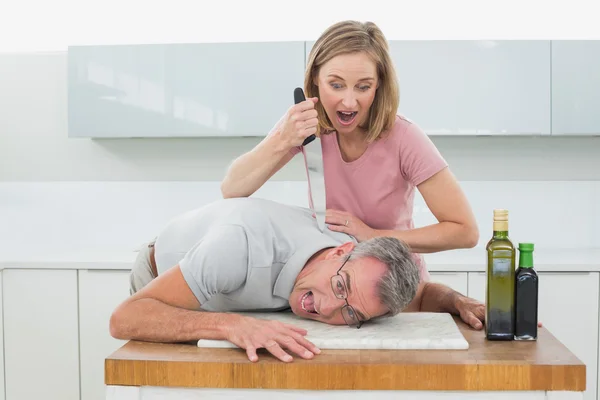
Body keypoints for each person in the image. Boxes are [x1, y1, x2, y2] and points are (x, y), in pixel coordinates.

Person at [220, 20, 483, 325]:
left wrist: (373, 236)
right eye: (335, 84)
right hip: (330, 295)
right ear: (315, 80)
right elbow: (232, 189)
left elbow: (465, 230)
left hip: (393, 296)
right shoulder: (306, 126)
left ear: (379, 86)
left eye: (363, 87)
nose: (348, 101)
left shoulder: (404, 138)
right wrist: (283, 139)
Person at [109, 197, 482, 363]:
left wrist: (458, 302)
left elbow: (420, 295)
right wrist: (229, 324)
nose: (327, 307)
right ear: (339, 252)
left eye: (350, 314)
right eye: (340, 288)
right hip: (163, 282)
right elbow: (125, 318)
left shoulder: (357, 261)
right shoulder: (240, 245)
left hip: (234, 292)